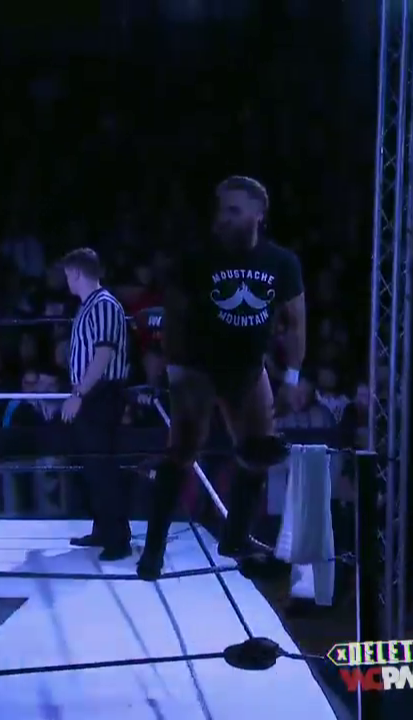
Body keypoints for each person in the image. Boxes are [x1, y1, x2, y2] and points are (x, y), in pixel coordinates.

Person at [137, 176, 306, 581]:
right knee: (183, 450)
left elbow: (297, 322)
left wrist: (292, 378)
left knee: (259, 450)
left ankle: (236, 537)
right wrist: (174, 368)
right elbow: (173, 316)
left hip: (247, 367)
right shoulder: (198, 258)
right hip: (198, 365)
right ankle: (153, 550)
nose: (223, 218)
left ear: (258, 214)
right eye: (221, 210)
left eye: (233, 210)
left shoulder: (281, 262)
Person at [59, 248, 133, 561]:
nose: (66, 281)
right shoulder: (89, 306)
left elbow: (103, 355)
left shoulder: (104, 304)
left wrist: (79, 394)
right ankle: (103, 529)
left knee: (102, 467)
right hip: (92, 393)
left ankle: (118, 539)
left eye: (67, 275)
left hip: (101, 394)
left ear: (77, 273)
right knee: (93, 466)